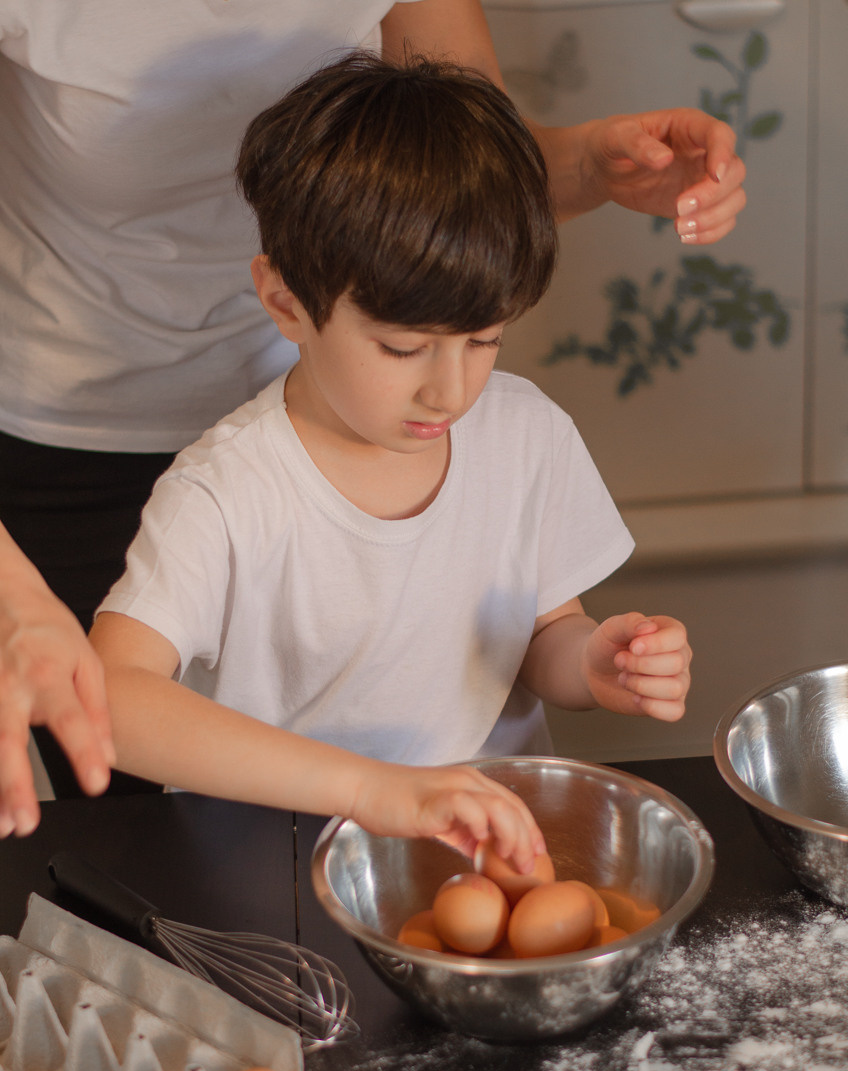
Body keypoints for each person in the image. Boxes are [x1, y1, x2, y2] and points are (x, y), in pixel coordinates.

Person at [0, 0, 734, 836]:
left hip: (476, 847)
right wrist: (372, 791)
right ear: (285, 299)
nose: (449, 392)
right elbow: (117, 703)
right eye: (400, 349)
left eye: (484, 339)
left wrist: (596, 663)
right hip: (275, 868)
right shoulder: (225, 489)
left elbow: (539, 634)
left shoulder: (524, 437)